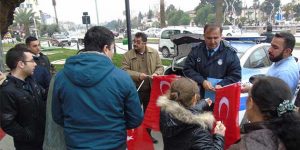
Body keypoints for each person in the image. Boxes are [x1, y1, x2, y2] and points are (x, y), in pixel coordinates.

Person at [52, 26, 143, 149]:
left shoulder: (60, 77)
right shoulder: (122, 78)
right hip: (113, 144)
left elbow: (58, 116)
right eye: (112, 48)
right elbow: (135, 118)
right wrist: (114, 126)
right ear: (106, 49)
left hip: (77, 144)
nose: (113, 52)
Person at [229, 76, 300, 150]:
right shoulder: (290, 132)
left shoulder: (245, 146)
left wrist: (219, 138)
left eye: (248, 95)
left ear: (250, 102)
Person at [158, 77, 225, 150]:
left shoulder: (166, 112)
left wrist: (202, 104)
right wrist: (219, 135)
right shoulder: (199, 129)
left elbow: (183, 113)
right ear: (195, 97)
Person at [0, 47, 46, 150]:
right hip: (28, 145)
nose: (35, 64)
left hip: (43, 139)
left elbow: (43, 95)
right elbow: (7, 123)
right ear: (21, 64)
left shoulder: (31, 81)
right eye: (32, 61)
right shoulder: (7, 91)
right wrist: (28, 136)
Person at [121, 32, 164, 143]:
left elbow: (160, 67)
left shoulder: (153, 53)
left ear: (145, 43)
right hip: (135, 90)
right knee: (132, 113)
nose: (135, 44)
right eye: (134, 41)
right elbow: (123, 70)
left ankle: (147, 135)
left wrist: (157, 74)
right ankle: (131, 136)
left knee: (148, 114)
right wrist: (138, 75)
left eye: (138, 42)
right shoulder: (127, 55)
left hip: (151, 89)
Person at [183, 23, 241, 101]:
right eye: (209, 38)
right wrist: (202, 81)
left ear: (221, 36)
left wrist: (222, 84)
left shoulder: (230, 53)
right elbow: (187, 69)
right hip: (198, 97)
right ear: (204, 36)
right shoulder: (196, 50)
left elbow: (236, 75)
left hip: (221, 98)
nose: (212, 41)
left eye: (215, 38)